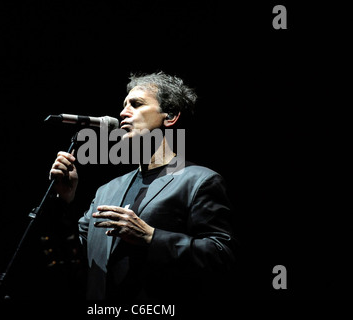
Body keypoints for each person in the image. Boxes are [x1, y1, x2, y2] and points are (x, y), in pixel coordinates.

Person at [49, 71, 236, 300]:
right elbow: (74, 258)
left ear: (170, 117)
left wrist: (151, 237)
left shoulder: (199, 181)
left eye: (136, 104)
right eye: (124, 104)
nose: (122, 113)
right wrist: (65, 200)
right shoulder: (107, 190)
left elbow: (222, 255)